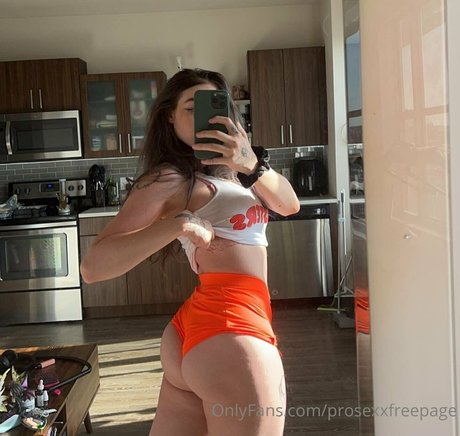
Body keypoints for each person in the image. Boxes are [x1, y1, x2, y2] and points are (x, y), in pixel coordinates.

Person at [80, 68, 300, 436]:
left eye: (214, 107)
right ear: (169, 116)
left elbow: (289, 205)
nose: (206, 118)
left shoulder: (241, 170)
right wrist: (179, 224)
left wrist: (249, 163)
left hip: (204, 328)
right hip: (230, 328)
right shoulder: (169, 178)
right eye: (191, 108)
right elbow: (93, 267)